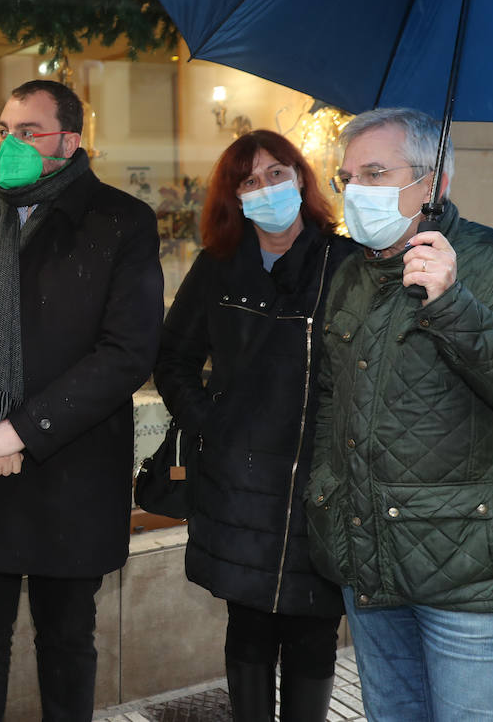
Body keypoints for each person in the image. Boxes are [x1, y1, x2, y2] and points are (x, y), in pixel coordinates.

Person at [0, 79, 164, 722]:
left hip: (68, 473)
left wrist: (20, 432)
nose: (10, 144)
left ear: (70, 141)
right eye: (4, 130)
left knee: (68, 643)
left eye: (29, 131)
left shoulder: (121, 222)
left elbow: (126, 351)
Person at [305, 107, 493, 721]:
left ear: (434, 183)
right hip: (371, 567)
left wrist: (453, 305)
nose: (356, 192)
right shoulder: (351, 276)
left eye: (375, 172)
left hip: (474, 579)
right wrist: (326, 493)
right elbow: (329, 401)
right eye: (347, 178)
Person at [153, 131, 357, 721]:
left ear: (300, 178)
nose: (265, 188)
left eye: (276, 173)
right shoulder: (218, 268)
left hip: (319, 482)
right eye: (248, 180)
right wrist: (210, 424)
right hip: (239, 482)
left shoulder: (343, 264)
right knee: (247, 625)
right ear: (233, 198)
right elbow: (173, 359)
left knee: (315, 628)